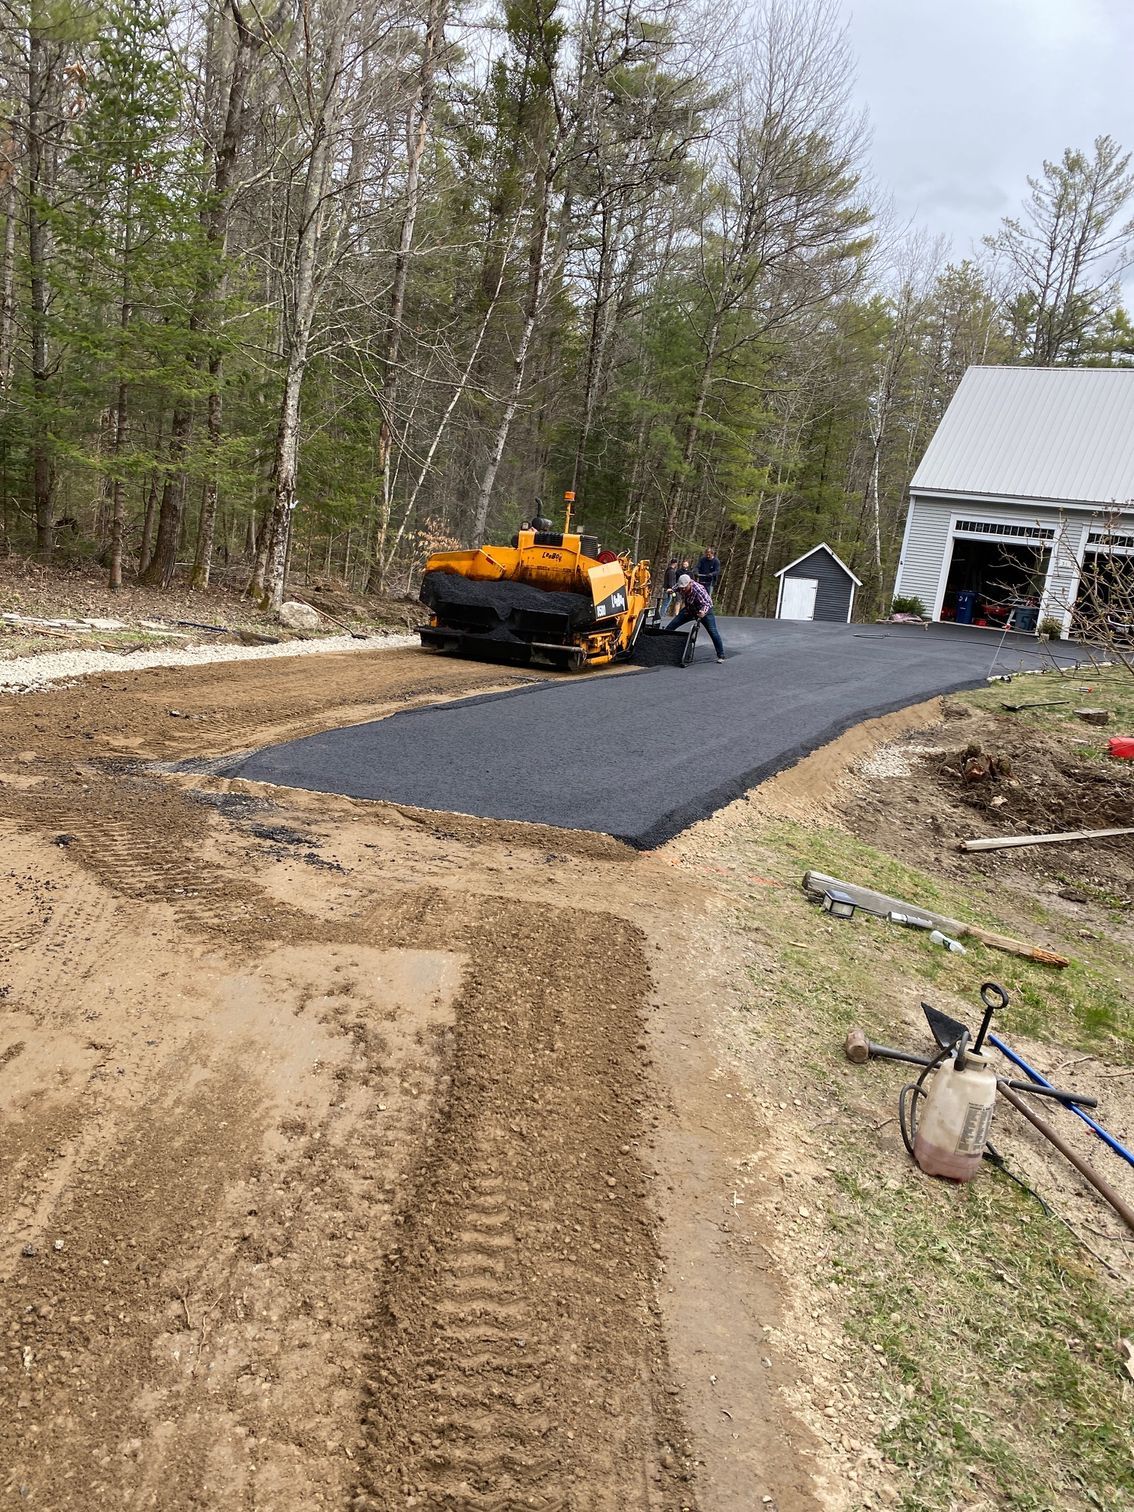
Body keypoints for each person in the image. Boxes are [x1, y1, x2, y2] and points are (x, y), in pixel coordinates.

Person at [667, 574, 725, 661]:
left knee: (713, 631)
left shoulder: (699, 590)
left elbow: (707, 603)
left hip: (703, 610)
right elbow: (677, 586)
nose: (683, 590)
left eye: (684, 588)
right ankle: (663, 645)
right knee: (671, 626)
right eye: (681, 588)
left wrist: (703, 612)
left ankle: (721, 655)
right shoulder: (681, 585)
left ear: (690, 583)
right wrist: (672, 590)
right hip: (689, 609)